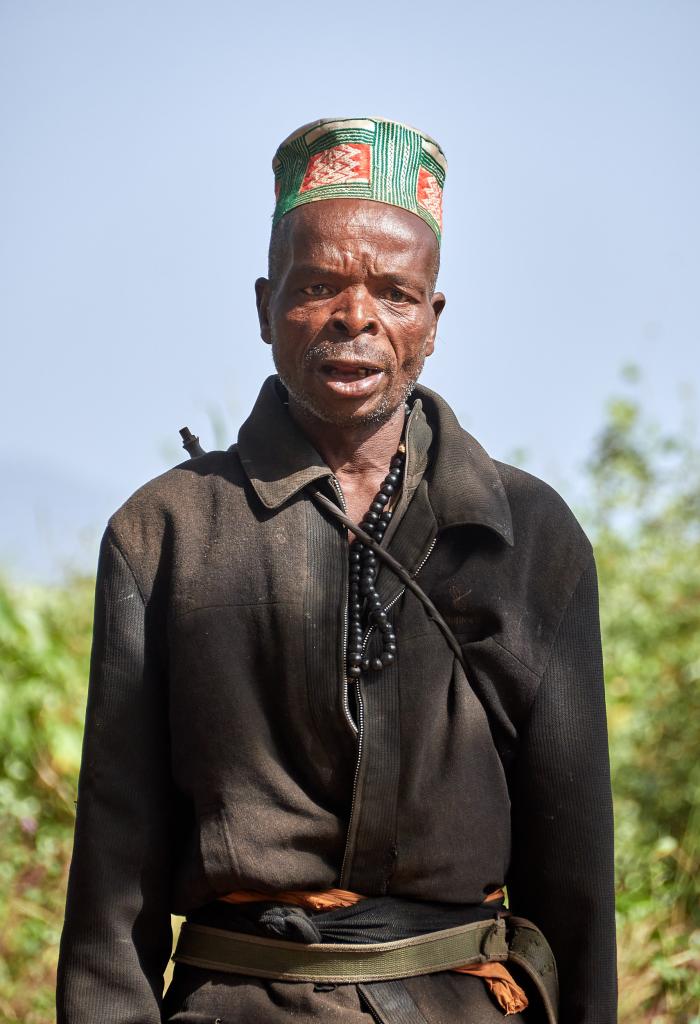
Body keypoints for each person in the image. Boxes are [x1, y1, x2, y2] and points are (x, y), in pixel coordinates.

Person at [56, 117, 617, 1024]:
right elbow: (113, 868)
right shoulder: (162, 532)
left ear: (432, 324)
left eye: (395, 293)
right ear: (265, 304)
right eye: (319, 286)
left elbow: (576, 866)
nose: (357, 318)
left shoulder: (531, 536)